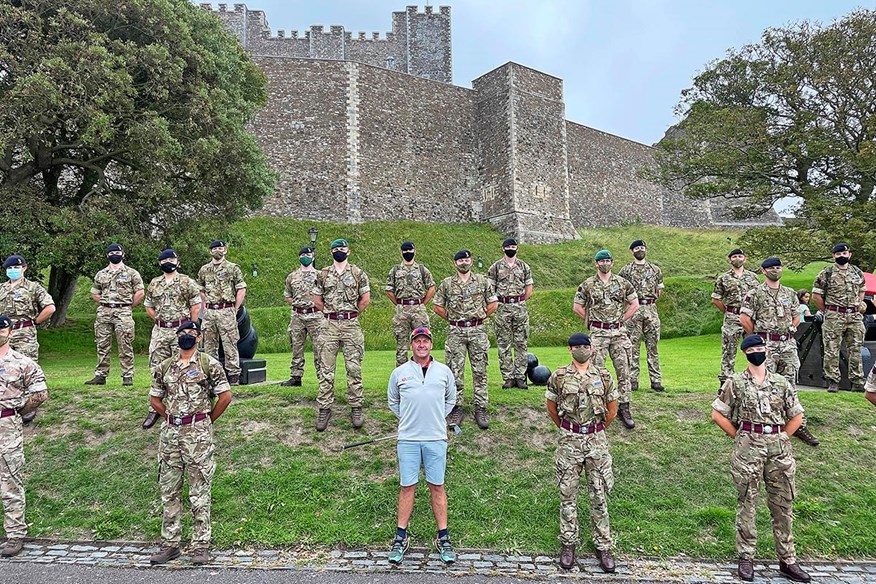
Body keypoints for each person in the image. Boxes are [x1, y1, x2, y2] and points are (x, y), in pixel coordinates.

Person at [711, 334, 811, 583]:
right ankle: (746, 558)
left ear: (766, 351)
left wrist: (782, 438)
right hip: (748, 448)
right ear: (745, 353)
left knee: (783, 505)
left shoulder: (781, 382)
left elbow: (796, 416)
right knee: (747, 503)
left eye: (761, 347)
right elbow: (718, 414)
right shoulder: (735, 382)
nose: (758, 351)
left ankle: (788, 560)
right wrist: (741, 436)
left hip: (778, 449)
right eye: (753, 348)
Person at [148, 320, 232, 566]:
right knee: (169, 490)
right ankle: (170, 544)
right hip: (171, 435)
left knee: (199, 491)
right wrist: (171, 419)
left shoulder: (209, 364)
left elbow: (225, 396)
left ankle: (200, 545)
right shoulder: (165, 367)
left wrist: (205, 421)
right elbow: (155, 399)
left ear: (198, 337)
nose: (187, 335)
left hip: (198, 435)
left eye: (192, 333)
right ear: (177, 336)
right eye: (183, 332)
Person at [546, 333, 618, 573]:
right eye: (576, 347)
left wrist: (594, 430)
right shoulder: (559, 376)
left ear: (591, 349)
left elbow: (612, 410)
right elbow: (552, 409)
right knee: (568, 494)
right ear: (569, 350)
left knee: (598, 495)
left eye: (585, 346)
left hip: (596, 440)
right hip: (569, 441)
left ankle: (603, 546)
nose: (581, 350)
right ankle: (568, 544)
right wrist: (571, 429)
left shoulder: (604, 375)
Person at [386, 327, 457, 565]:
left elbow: (451, 399)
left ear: (431, 345)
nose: (422, 345)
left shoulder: (444, 372)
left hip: (436, 438)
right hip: (408, 439)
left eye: (425, 341)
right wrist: (410, 418)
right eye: (417, 341)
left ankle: (443, 537)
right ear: (411, 346)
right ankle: (400, 538)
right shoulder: (399, 373)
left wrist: (434, 418)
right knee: (407, 487)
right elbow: (393, 402)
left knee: (437, 486)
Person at [740, 258, 819, 447]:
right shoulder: (755, 293)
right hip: (766, 346)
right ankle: (763, 424)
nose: (775, 270)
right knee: (762, 384)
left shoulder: (789, 293)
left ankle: (797, 424)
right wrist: (759, 338)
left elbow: (796, 316)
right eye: (771, 268)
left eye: (778, 267)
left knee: (790, 385)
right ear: (763, 271)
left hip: (787, 346)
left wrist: (790, 329)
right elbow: (744, 318)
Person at [573, 250, 639, 429]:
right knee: (597, 372)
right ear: (596, 264)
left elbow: (634, 304)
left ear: (613, 262)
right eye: (601, 261)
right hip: (598, 334)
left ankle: (624, 407)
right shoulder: (588, 284)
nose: (605, 263)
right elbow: (577, 306)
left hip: (618, 333)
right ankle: (599, 406)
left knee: (623, 371)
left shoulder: (623, 283)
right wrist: (592, 321)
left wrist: (622, 320)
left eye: (608, 260)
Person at [0, 314, 48, 558]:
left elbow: (40, 394)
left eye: (2, 329)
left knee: (10, 481)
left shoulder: (22, 363)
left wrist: (18, 411)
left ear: (9, 332)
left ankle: (15, 535)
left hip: (6, 425)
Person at [433, 250, 498, 429]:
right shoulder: (447, 283)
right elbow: (437, 306)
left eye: (467, 259)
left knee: (480, 371)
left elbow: (493, 303)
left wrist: (481, 317)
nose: (464, 263)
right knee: (455, 372)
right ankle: (456, 408)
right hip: (456, 332)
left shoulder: (482, 282)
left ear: (471, 261)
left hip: (477, 330)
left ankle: (481, 407)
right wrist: (453, 320)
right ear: (455, 263)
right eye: (460, 260)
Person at [313, 238, 370, 432]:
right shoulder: (323, 274)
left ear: (349, 251)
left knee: (354, 368)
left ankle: (356, 407)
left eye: (342, 248)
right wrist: (330, 313)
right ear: (331, 252)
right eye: (336, 249)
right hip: (328, 325)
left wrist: (350, 315)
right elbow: (316, 299)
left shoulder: (357, 273)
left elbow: (365, 299)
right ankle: (324, 408)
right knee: (326, 369)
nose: (339, 251)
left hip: (351, 325)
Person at [142, 249, 202, 429]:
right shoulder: (154, 283)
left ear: (178, 262)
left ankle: (185, 406)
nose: (168, 261)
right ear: (160, 263)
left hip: (181, 330)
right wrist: (161, 322)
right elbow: (149, 306)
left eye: (172, 258)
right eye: (164, 259)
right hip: (160, 332)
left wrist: (189, 328)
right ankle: (155, 408)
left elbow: (196, 306)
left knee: (184, 367)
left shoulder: (186, 282)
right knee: (156, 368)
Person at [0, 255, 55, 424]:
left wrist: (36, 321)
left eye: (15, 268)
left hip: (24, 332)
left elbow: (50, 307)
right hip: (3, 334)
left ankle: (29, 407)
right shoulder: (1, 289)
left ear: (24, 268)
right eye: (8, 268)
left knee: (27, 366)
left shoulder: (33, 287)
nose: (12, 271)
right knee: (5, 367)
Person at [85, 244, 144, 387]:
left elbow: (140, 292)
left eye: (117, 252)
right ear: (107, 255)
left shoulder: (131, 273)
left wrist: (127, 305)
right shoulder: (101, 274)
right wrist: (107, 303)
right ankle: (100, 375)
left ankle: (127, 375)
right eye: (112, 253)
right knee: (102, 344)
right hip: (104, 313)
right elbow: (94, 293)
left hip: (123, 312)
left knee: (125, 344)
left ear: (123, 254)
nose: (115, 255)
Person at [812, 243, 867, 392]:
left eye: (844, 253)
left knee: (856, 348)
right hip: (834, 316)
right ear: (833, 256)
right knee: (831, 349)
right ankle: (833, 381)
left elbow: (862, 291)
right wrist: (828, 311)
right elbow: (816, 295)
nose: (841, 256)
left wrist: (857, 305)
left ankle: (857, 381)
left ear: (849, 254)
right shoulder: (826, 273)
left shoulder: (857, 272)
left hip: (854, 316)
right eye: (838, 254)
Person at [618, 239, 665, 392]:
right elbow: (620, 290)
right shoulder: (626, 270)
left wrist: (652, 301)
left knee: (653, 347)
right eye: (637, 248)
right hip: (633, 310)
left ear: (646, 250)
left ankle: (656, 380)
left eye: (642, 247)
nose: (640, 250)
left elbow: (659, 290)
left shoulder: (655, 269)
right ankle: (632, 380)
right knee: (632, 347)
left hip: (651, 309)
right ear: (632, 251)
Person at [198, 240, 247, 385]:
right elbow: (200, 288)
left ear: (225, 250)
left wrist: (235, 308)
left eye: (220, 248)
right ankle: (211, 375)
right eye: (214, 249)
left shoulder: (233, 268)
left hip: (226, 310)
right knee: (209, 344)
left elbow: (241, 288)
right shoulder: (204, 269)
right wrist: (206, 302)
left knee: (230, 343)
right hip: (210, 311)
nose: (217, 251)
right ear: (210, 251)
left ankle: (233, 375)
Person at [487, 238, 534, 389]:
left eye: (513, 246)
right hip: (502, 308)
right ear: (503, 249)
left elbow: (529, 289)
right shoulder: (495, 267)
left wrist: (518, 301)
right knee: (503, 343)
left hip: (520, 308)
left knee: (521, 343)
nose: (511, 249)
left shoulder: (524, 266)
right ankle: (508, 377)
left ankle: (520, 377)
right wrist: (501, 302)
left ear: (517, 248)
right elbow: (490, 290)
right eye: (508, 247)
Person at [712, 249, 761, 387]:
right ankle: (725, 382)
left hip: (750, 317)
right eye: (734, 257)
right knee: (729, 350)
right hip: (732, 316)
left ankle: (755, 378)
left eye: (740, 256)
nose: (737, 259)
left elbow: (758, 297)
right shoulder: (723, 278)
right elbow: (716, 299)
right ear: (729, 260)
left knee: (754, 347)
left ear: (745, 259)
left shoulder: (753, 277)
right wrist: (729, 312)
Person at [385, 241, 436, 367]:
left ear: (415, 251)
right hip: (401, 310)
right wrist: (398, 303)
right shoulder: (395, 270)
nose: (408, 253)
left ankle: (424, 370)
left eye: (410, 250)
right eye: (405, 251)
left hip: (419, 309)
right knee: (401, 345)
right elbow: (389, 289)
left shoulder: (422, 269)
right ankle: (402, 375)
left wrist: (423, 303)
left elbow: (431, 287)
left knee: (422, 342)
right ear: (401, 252)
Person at [280, 246, 324, 387]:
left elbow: (326, 295)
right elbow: (287, 295)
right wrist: (298, 304)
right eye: (303, 254)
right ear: (299, 257)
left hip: (316, 316)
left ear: (313, 257)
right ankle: (296, 376)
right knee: (296, 347)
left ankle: (323, 377)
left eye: (308, 254)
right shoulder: (292, 276)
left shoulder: (320, 275)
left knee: (320, 347)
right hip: (298, 316)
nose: (306, 256)